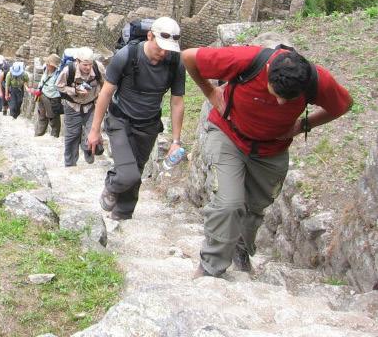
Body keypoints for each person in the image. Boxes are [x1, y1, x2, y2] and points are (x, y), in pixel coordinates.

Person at [182, 38, 352, 278]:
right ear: (269, 73)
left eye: (289, 99)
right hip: (229, 135)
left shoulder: (315, 81)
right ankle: (211, 268)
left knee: (254, 208)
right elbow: (189, 56)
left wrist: (303, 125)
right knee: (228, 203)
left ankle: (240, 250)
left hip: (271, 150)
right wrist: (210, 92)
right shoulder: (246, 60)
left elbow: (342, 105)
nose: (281, 102)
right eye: (277, 95)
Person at [88, 16, 186, 221]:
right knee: (128, 174)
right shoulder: (127, 55)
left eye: (169, 49)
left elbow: (177, 101)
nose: (164, 52)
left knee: (136, 172)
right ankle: (111, 185)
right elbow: (105, 93)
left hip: (148, 125)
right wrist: (95, 130)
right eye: (160, 47)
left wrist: (176, 141)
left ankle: (122, 215)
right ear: (149, 36)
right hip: (120, 120)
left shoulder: (175, 63)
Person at [57, 47, 104, 166]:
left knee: (92, 132)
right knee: (72, 135)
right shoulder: (68, 71)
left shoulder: (98, 68)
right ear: (77, 62)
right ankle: (70, 163)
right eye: (84, 65)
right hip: (72, 106)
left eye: (90, 64)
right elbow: (59, 86)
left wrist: (101, 98)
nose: (88, 68)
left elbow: (105, 84)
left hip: (91, 105)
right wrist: (75, 90)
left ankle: (88, 153)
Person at [34, 53, 62, 137]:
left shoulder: (59, 75)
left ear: (54, 66)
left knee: (53, 117)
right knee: (41, 115)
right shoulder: (45, 69)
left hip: (53, 99)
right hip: (42, 96)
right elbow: (42, 81)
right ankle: (39, 134)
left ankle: (54, 135)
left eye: (49, 63)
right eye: (47, 63)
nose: (47, 64)